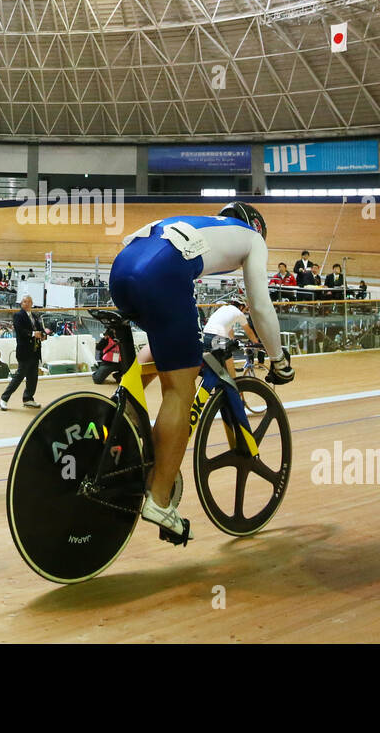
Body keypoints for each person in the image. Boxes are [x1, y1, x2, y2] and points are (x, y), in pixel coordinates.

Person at [109, 201, 294, 542]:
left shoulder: (199, 224)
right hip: (163, 274)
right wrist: (279, 359)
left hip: (121, 269)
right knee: (181, 388)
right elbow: (260, 305)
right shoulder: (251, 238)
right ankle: (160, 499)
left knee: (163, 343)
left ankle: (119, 417)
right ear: (256, 225)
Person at [202, 291, 261, 381]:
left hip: (205, 336)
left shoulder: (223, 309)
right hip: (217, 338)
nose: (245, 311)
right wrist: (257, 344)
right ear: (241, 306)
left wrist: (233, 340)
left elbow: (230, 331)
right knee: (231, 375)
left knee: (218, 371)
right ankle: (236, 389)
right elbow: (249, 331)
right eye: (245, 309)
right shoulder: (239, 313)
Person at [0, 295, 44, 410]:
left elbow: (41, 329)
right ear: (21, 303)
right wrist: (33, 334)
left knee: (33, 377)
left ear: (32, 303)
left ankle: (28, 398)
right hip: (24, 351)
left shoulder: (35, 316)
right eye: (24, 301)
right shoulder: (18, 316)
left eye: (29, 301)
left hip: (35, 351)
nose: (27, 303)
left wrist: (43, 335)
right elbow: (20, 330)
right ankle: (4, 398)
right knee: (19, 376)